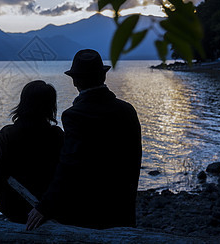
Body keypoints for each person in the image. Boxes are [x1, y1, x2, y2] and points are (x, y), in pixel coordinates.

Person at [26, 49, 142, 230]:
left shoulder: (75, 115)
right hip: (122, 210)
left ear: (75, 81)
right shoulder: (127, 110)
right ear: (103, 77)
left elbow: (69, 165)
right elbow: (134, 160)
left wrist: (44, 206)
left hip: (88, 215)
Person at [0, 80, 64, 223]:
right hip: (47, 210)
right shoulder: (57, 135)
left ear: (23, 103)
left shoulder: (8, 135)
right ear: (50, 106)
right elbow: (61, 176)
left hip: (15, 210)